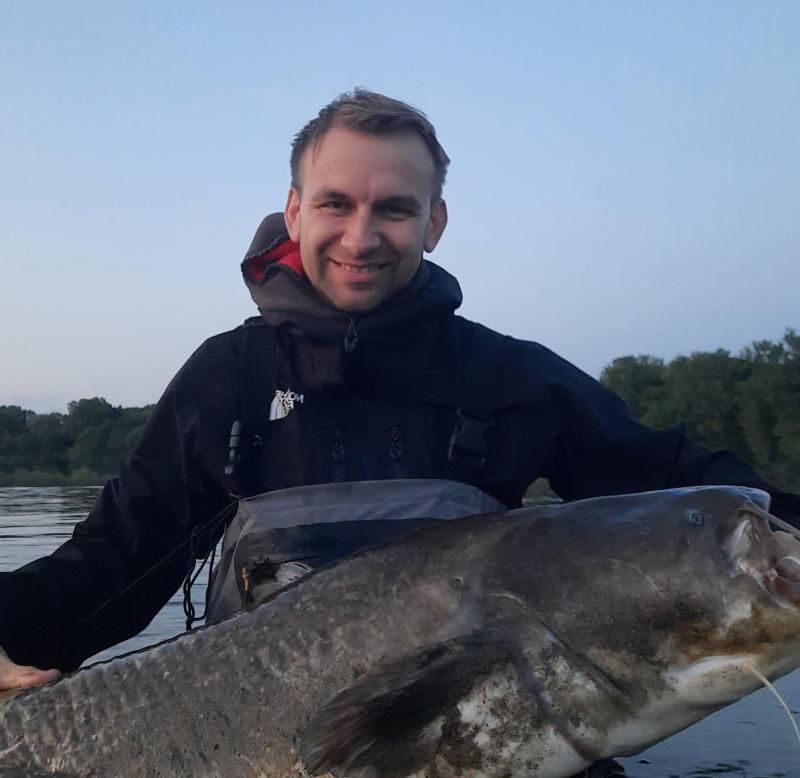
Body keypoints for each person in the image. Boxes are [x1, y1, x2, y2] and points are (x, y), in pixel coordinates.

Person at [1, 88, 799, 695]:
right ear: (294, 211)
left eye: (393, 209)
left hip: (478, 728)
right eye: (336, 204)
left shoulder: (508, 374)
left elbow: (685, 485)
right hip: (259, 735)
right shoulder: (227, 377)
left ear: (433, 223)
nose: (360, 236)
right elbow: (112, 564)